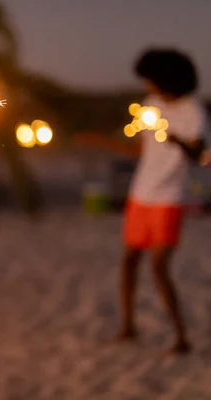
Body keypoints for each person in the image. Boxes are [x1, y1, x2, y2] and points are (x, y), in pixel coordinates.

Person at [77, 48, 208, 354]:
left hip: (169, 199)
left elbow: (198, 153)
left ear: (166, 78)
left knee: (159, 266)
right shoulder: (150, 106)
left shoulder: (194, 111)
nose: (147, 85)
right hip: (141, 195)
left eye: (150, 79)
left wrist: (178, 141)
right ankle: (128, 326)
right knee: (129, 261)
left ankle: (181, 336)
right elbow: (138, 150)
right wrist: (98, 140)